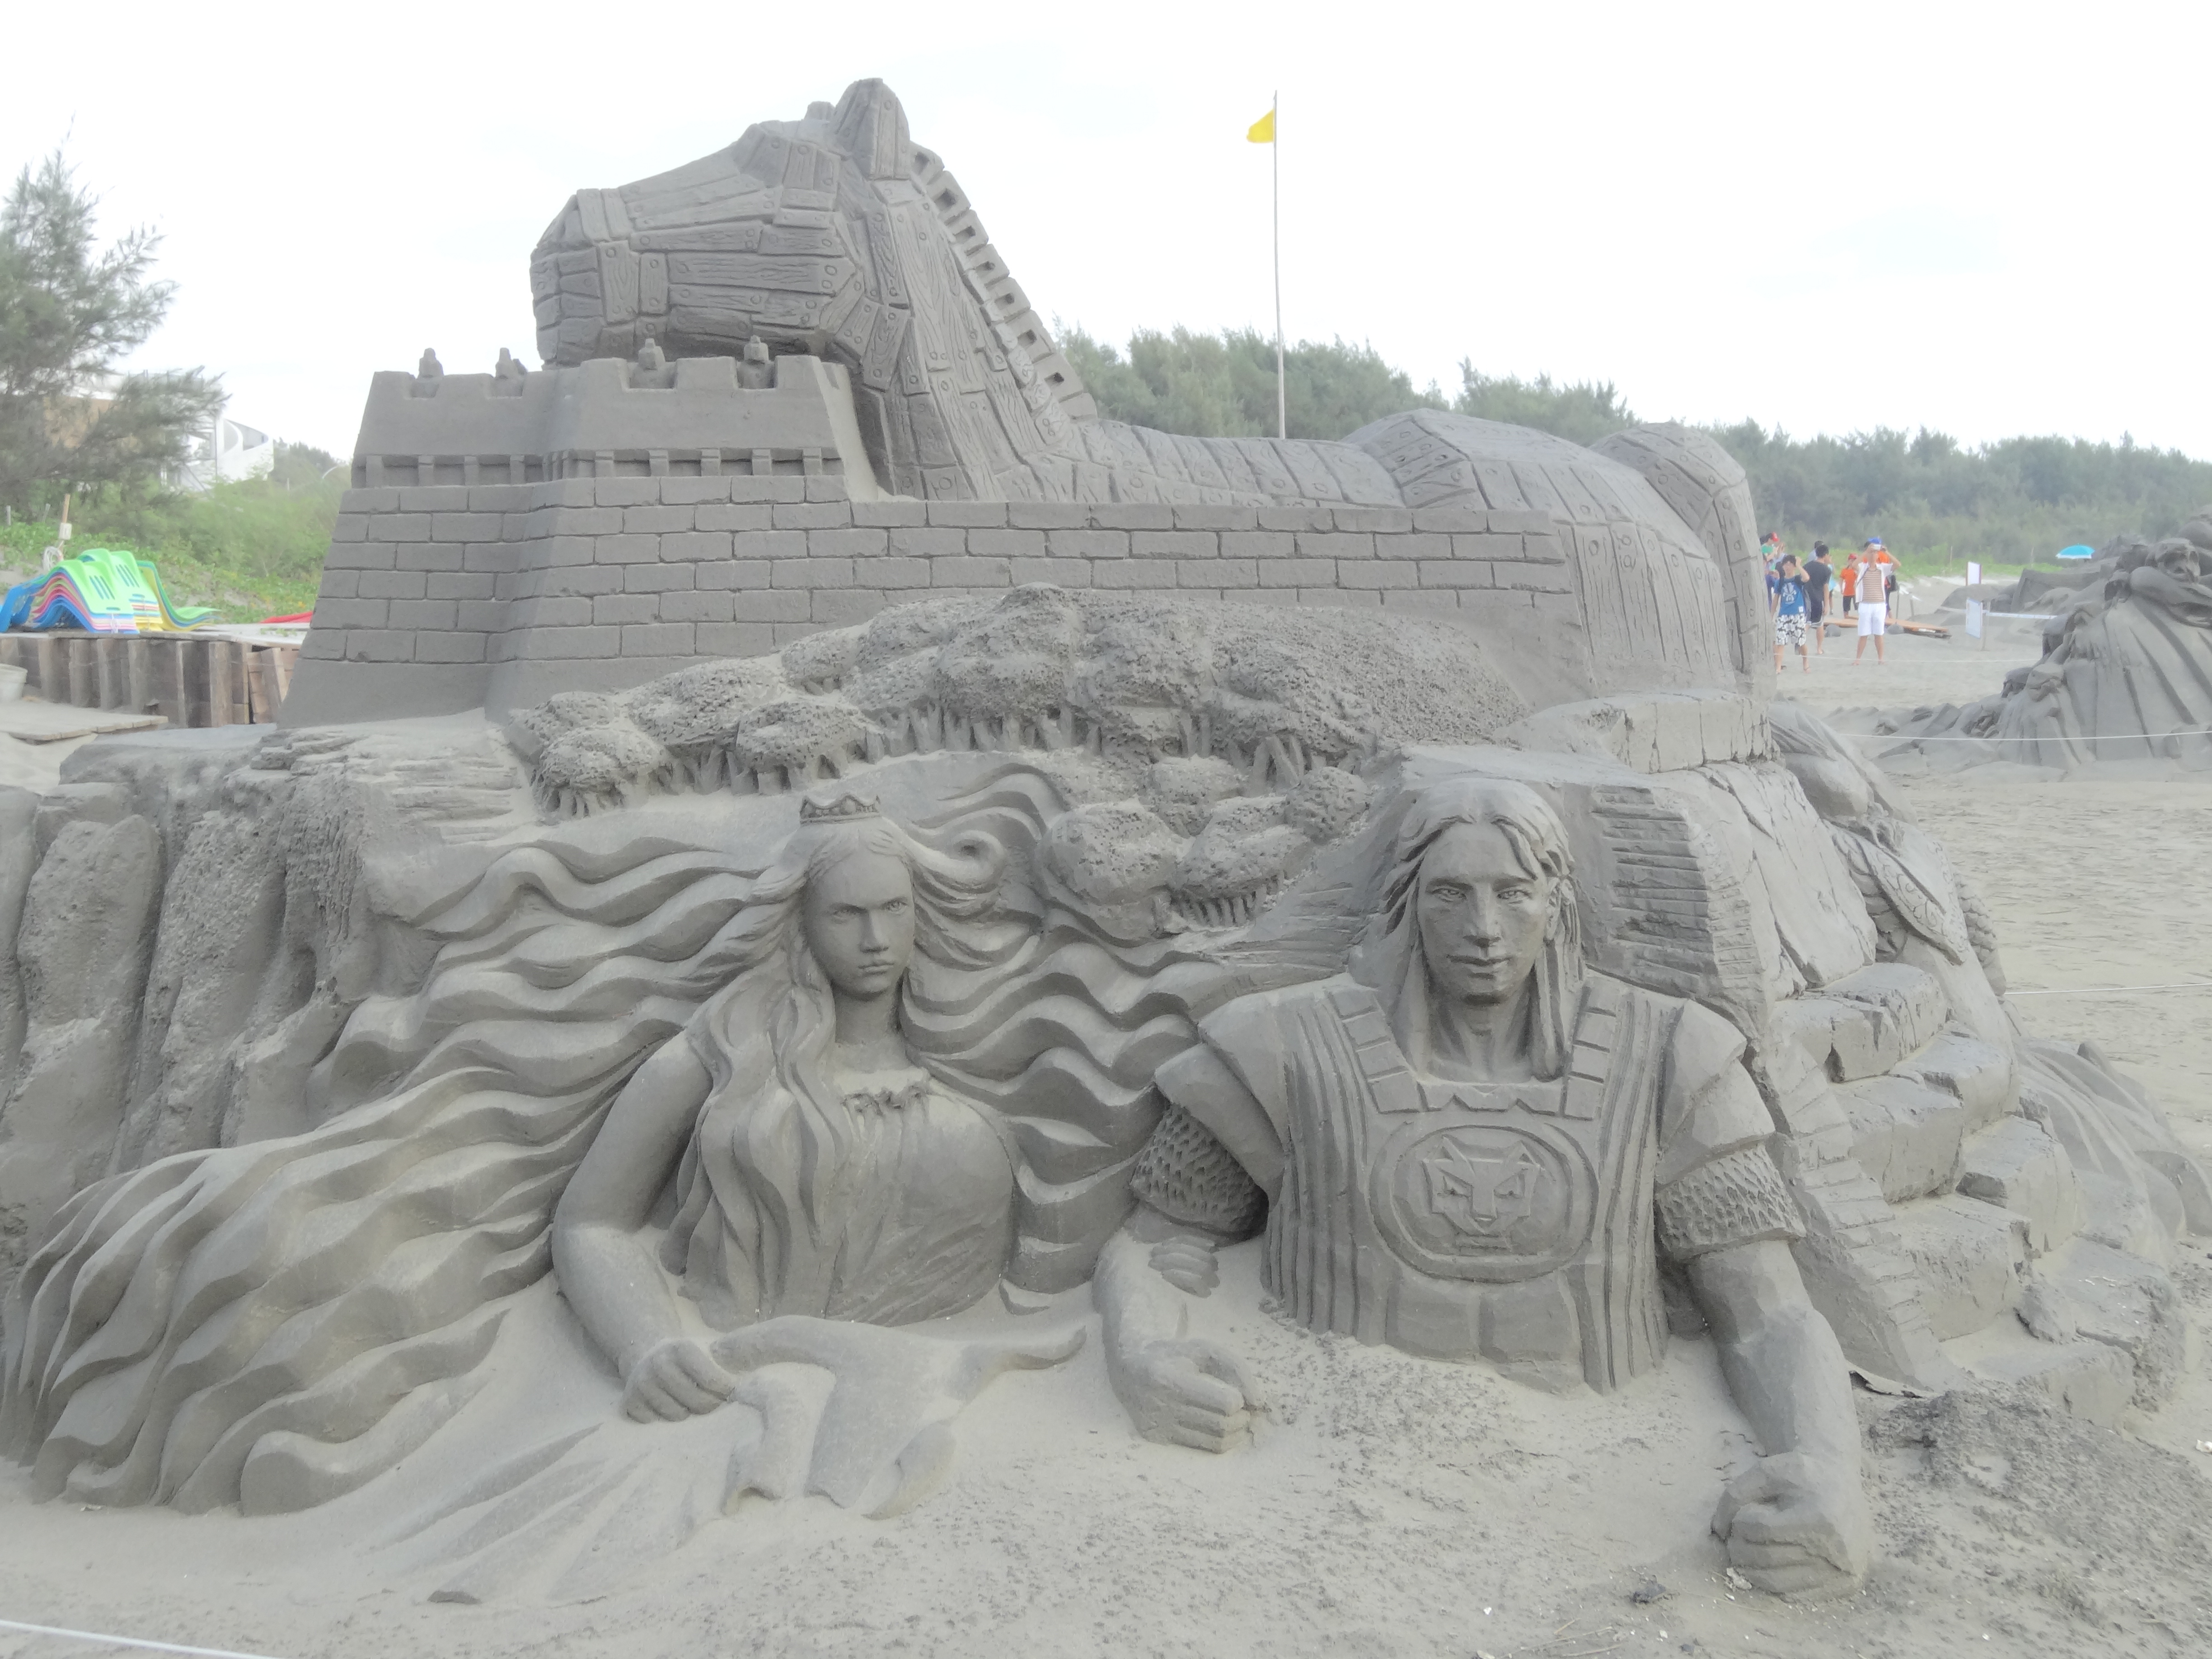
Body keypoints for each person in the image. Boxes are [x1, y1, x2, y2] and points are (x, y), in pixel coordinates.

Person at [1095, 777, 1873, 1598]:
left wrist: (1830, 1468)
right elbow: (1155, 1244)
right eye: (1450, 895)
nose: (1484, 929)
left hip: (1594, 1499)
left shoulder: (1671, 1057)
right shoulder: (1284, 1048)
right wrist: (1140, 1357)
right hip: (1323, 1473)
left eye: (1513, 893)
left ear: (1557, 903)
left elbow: (1768, 1312)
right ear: (1407, 903)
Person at [1770, 553, 1811, 673]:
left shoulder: (1798, 579)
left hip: (1798, 614)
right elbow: (1776, 599)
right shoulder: (1780, 582)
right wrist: (1772, 615)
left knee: (1801, 641)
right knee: (1780, 641)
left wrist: (1799, 565)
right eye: (1786, 564)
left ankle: (1806, 662)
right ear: (1783, 566)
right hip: (1783, 614)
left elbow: (1807, 578)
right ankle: (1778, 667)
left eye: (1790, 564)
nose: (1788, 567)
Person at [1852, 544, 1888, 664]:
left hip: (1879, 604)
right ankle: (1858, 659)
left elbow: (1898, 565)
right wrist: (1866, 552)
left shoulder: (1882, 568)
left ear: (1878, 555)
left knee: (1879, 633)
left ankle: (1881, 659)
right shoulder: (1863, 567)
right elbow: (1854, 565)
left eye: (1875, 553)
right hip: (1865, 604)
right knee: (1863, 633)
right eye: (1871, 553)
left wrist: (1886, 552)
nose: (1873, 555)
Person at [1803, 542, 1834, 655]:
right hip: (1817, 599)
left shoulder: (1807, 566)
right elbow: (1826, 588)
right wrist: (1826, 605)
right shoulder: (1827, 570)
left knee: (1806, 622)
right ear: (1825, 555)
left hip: (1805, 598)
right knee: (1819, 625)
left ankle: (1800, 642)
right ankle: (1819, 648)